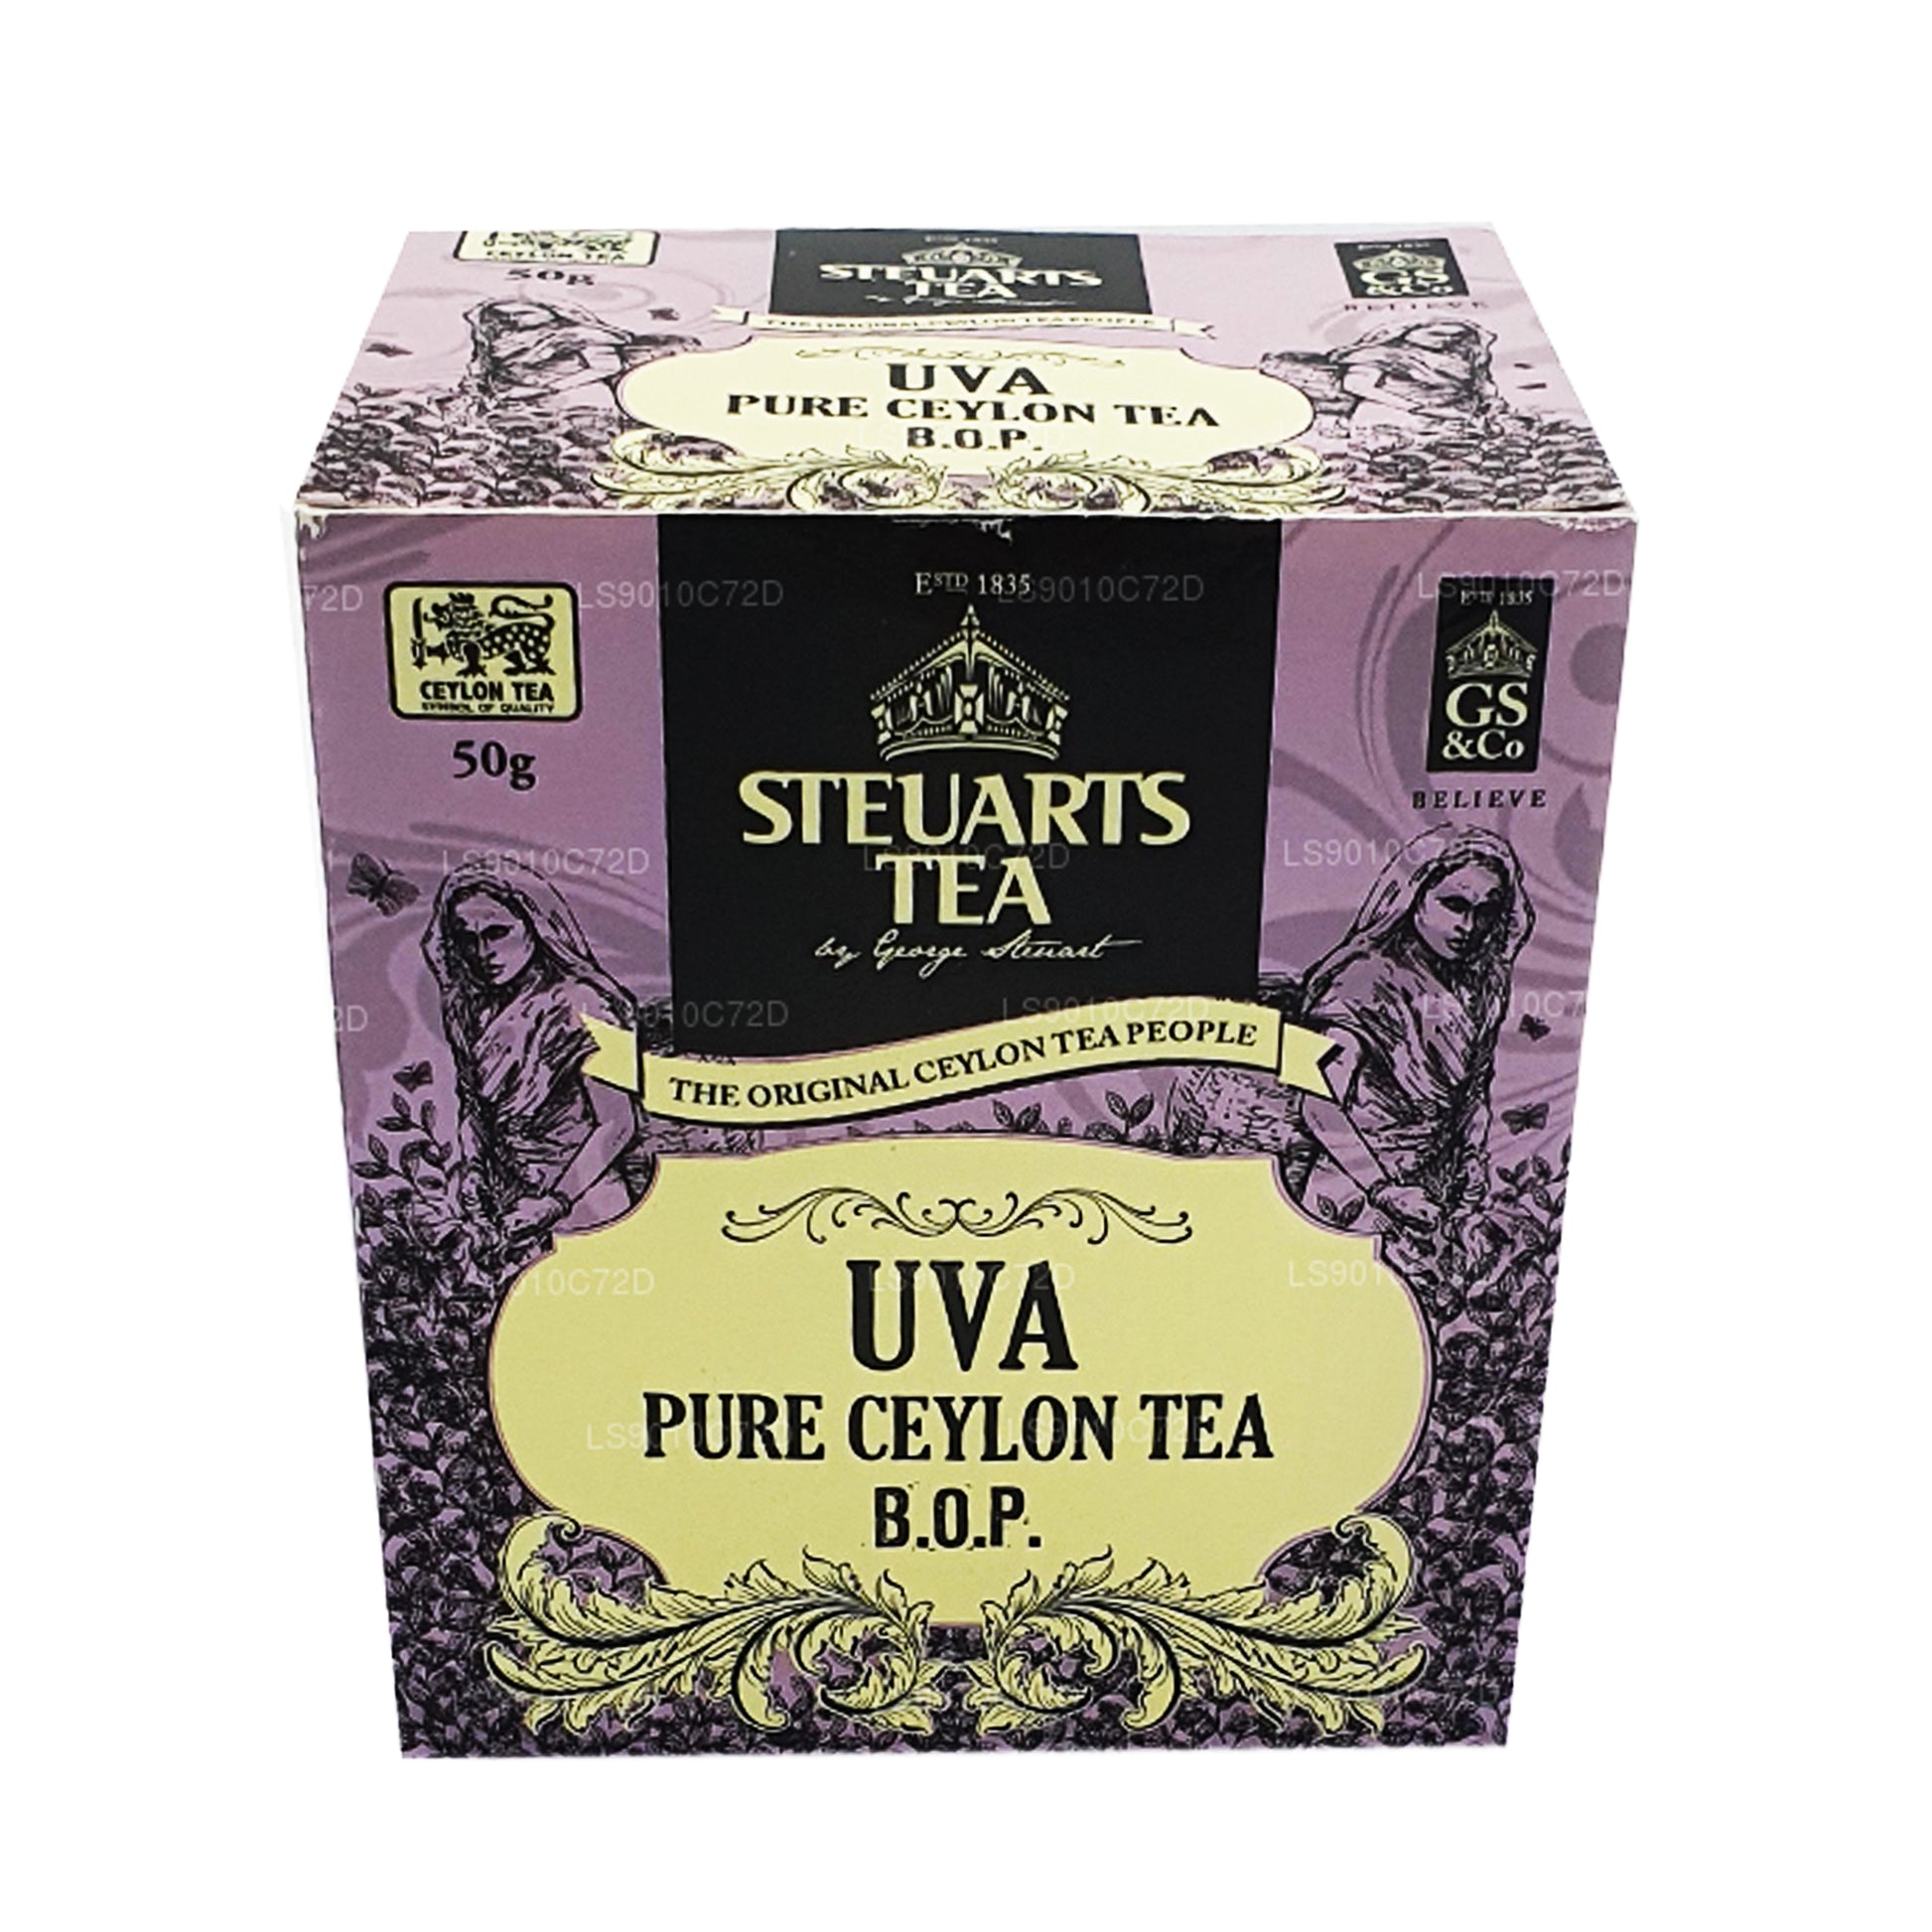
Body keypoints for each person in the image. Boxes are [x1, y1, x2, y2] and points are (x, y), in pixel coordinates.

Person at [1281, 827, 1532, 1237]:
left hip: (1437, 1192)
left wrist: (1472, 1158)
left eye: (1487, 910)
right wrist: (1384, 1190)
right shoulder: (1359, 979)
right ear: (1416, 894)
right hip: (1354, 1188)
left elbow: (1474, 1091)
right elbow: (1316, 1101)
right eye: (1454, 905)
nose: (1469, 926)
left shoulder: (1484, 985)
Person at [423, 861, 654, 1251]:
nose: (484, 953)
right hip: (509, 1208)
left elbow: (618, 1123)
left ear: (533, 923)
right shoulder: (466, 1009)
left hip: (587, 1202)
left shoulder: (589, 1004)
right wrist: (473, 1170)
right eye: (467, 938)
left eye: (498, 933)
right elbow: (473, 1107)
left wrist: (555, 1202)